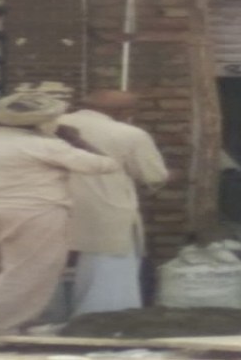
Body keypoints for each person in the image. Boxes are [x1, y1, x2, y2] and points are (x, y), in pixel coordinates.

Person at [0, 92, 120, 335]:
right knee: (29, 271)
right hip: (36, 213)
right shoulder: (47, 145)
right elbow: (105, 165)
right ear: (44, 122)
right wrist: (74, 139)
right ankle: (0, 328)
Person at [60, 90, 170, 316]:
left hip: (52, 206)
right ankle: (101, 319)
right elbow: (153, 175)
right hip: (106, 209)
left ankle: (46, 319)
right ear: (124, 111)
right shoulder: (129, 133)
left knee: (46, 268)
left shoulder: (49, 125)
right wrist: (172, 175)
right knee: (109, 272)